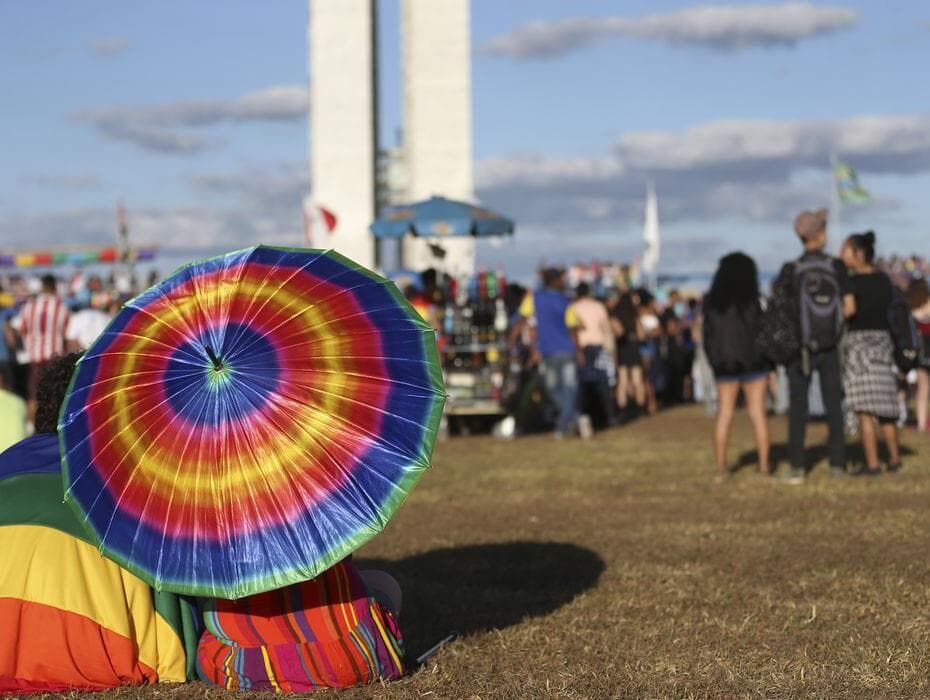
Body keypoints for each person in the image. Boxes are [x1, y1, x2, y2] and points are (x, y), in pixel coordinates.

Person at [0, 354, 198, 692]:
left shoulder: (8, 462)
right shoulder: (126, 474)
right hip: (96, 654)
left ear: (43, 408)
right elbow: (167, 589)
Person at [196, 560, 405, 692]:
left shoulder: (218, 536)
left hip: (250, 667)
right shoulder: (314, 506)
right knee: (385, 582)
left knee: (208, 642)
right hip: (353, 657)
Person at [776, 209, 855, 482]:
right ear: (821, 235)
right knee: (834, 404)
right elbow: (849, 307)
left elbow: (783, 311)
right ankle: (837, 464)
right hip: (831, 346)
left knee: (798, 407)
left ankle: (797, 465)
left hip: (800, 349)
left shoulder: (791, 270)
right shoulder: (837, 267)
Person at [702, 252, 771, 480]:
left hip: (725, 365)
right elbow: (763, 334)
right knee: (757, 413)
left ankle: (721, 468)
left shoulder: (713, 305)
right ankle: (763, 466)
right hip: (755, 363)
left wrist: (715, 362)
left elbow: (707, 338)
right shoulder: (754, 303)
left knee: (725, 413)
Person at [840, 232, 902, 474]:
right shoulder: (885, 281)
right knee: (886, 407)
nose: (841, 255)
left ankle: (873, 463)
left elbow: (849, 310)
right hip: (883, 344)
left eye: (845, 250)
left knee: (864, 409)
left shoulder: (850, 282)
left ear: (859, 253)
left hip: (859, 346)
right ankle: (895, 459)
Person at [518, 268, 590, 439]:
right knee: (565, 389)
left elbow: (522, 317)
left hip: (553, 351)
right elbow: (574, 328)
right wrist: (579, 351)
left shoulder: (535, 298)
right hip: (562, 350)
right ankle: (574, 417)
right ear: (556, 281)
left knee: (556, 388)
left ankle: (562, 426)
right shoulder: (565, 301)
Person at [11, 274, 69, 421]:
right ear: (55, 287)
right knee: (54, 395)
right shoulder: (61, 307)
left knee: (33, 394)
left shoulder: (29, 306)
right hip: (55, 358)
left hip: (35, 357)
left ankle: (31, 427)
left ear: (42, 287)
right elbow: (67, 334)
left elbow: (21, 330)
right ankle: (53, 427)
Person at [570, 282, 616, 428]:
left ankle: (581, 419)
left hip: (580, 350)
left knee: (581, 387)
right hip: (598, 349)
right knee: (603, 385)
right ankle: (610, 418)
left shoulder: (573, 308)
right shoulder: (598, 307)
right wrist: (612, 352)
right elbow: (607, 329)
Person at [611, 291, 646, 419]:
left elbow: (618, 332)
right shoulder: (634, 314)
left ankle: (623, 410)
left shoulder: (615, 313)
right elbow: (642, 335)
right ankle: (641, 409)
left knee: (623, 381)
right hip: (633, 346)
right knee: (637, 380)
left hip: (622, 347)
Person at [906, 278, 930, 432]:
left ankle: (921, 424)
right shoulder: (928, 302)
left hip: (921, 352)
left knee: (923, 389)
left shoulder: (910, 308)